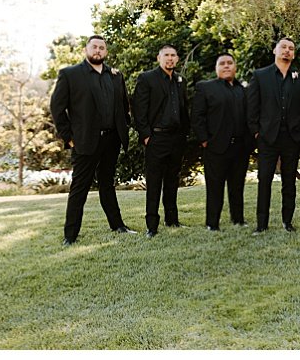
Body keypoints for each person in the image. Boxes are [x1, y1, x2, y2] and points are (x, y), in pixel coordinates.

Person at [50, 35, 130, 244]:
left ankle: (118, 225)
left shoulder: (115, 75)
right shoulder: (70, 74)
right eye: (94, 47)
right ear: (86, 49)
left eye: (102, 47)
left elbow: (123, 105)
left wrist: (124, 128)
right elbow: (57, 109)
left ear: (106, 52)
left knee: (107, 184)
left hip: (111, 140)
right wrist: (69, 138)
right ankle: (70, 235)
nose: (98, 51)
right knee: (80, 188)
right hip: (84, 140)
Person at [246, 38, 300, 233]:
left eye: (291, 48)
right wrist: (257, 132)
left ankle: (287, 222)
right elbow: (252, 107)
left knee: (289, 181)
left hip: (292, 138)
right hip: (267, 137)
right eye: (283, 47)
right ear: (275, 50)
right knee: (264, 180)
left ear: (294, 54)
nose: (287, 51)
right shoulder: (260, 75)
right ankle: (262, 224)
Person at [132, 45, 189, 237]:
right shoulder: (147, 78)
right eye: (166, 55)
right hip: (156, 138)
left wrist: (184, 134)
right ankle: (152, 226)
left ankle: (172, 220)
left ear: (177, 59)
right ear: (159, 58)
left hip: (176, 138)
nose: (170, 58)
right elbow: (139, 110)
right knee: (155, 182)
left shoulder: (181, 81)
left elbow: (183, 109)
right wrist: (146, 135)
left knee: (172, 180)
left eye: (173, 55)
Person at [191, 54, 251, 230]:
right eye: (222, 64)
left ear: (235, 66)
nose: (226, 66)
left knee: (237, 185)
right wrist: (204, 140)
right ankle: (212, 223)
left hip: (240, 147)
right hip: (215, 147)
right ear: (216, 68)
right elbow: (197, 117)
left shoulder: (244, 89)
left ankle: (238, 219)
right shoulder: (206, 88)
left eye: (230, 63)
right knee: (215, 187)